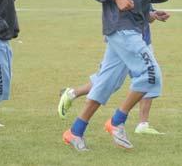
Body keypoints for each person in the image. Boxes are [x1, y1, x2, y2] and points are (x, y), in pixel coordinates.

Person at [62, 0, 176, 151]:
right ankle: (117, 122)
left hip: (137, 27)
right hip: (121, 27)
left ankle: (75, 132)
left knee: (106, 84)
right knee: (150, 74)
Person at [58, 7, 170, 135]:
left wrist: (154, 15)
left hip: (142, 41)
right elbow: (115, 9)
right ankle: (74, 96)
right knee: (110, 81)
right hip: (125, 40)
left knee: (148, 77)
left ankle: (142, 124)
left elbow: (146, 16)